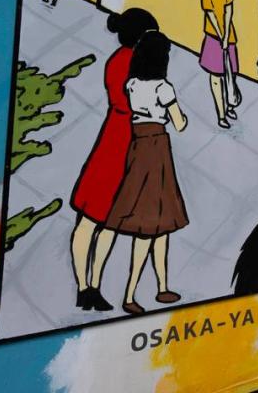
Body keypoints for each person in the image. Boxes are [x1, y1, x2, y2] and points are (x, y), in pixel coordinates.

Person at [69, 8, 158, 312]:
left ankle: (91, 286)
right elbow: (129, 100)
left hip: (122, 136)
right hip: (119, 138)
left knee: (105, 221)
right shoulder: (127, 61)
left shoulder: (124, 60)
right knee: (95, 219)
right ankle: (85, 285)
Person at [105, 31, 189, 315]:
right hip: (157, 148)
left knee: (159, 223)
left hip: (139, 145)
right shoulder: (163, 88)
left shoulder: (132, 85)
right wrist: (178, 113)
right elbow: (180, 123)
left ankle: (162, 286)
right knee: (150, 224)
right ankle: (131, 292)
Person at [198, 0, 238, 129]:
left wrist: (226, 33)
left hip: (228, 38)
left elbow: (229, 10)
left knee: (230, 73)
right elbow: (210, 13)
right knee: (216, 77)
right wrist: (220, 34)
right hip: (214, 37)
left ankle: (229, 104)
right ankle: (221, 114)